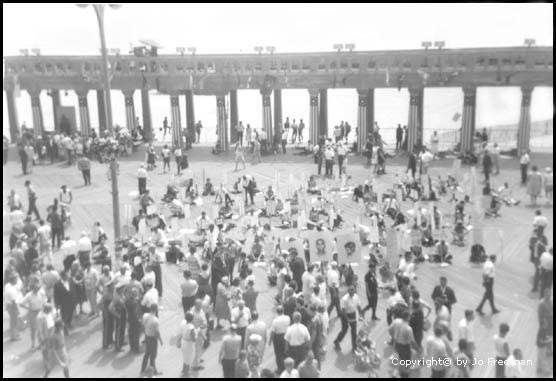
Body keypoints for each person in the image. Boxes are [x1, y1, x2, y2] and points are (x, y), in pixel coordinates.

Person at [334, 286, 363, 353]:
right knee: (345, 329)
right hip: (345, 315)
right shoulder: (345, 299)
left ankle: (354, 347)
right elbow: (343, 311)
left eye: (353, 291)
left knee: (354, 331)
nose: (352, 293)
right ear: (348, 292)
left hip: (352, 314)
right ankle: (337, 341)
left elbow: (358, 306)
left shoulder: (356, 296)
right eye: (350, 292)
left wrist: (361, 314)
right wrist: (348, 320)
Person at [141, 303, 163, 376]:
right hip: (153, 338)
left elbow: (143, 324)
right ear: (156, 309)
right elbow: (157, 332)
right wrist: (160, 340)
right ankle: (153, 371)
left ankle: (143, 369)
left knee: (147, 354)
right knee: (153, 356)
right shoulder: (155, 320)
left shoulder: (145, 315)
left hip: (147, 336)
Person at [270, 306, 290, 374]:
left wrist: (270, 340)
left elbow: (272, 331)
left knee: (278, 354)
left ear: (277, 312)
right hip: (286, 336)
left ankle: (280, 369)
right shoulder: (287, 318)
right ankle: (287, 367)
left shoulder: (275, 320)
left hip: (278, 337)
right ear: (283, 311)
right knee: (286, 352)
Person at [178, 311, 197, 377]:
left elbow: (180, 333)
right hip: (189, 344)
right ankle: (186, 373)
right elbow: (193, 339)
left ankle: (184, 370)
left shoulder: (183, 323)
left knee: (185, 357)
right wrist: (198, 331)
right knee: (189, 358)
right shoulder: (191, 327)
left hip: (183, 341)